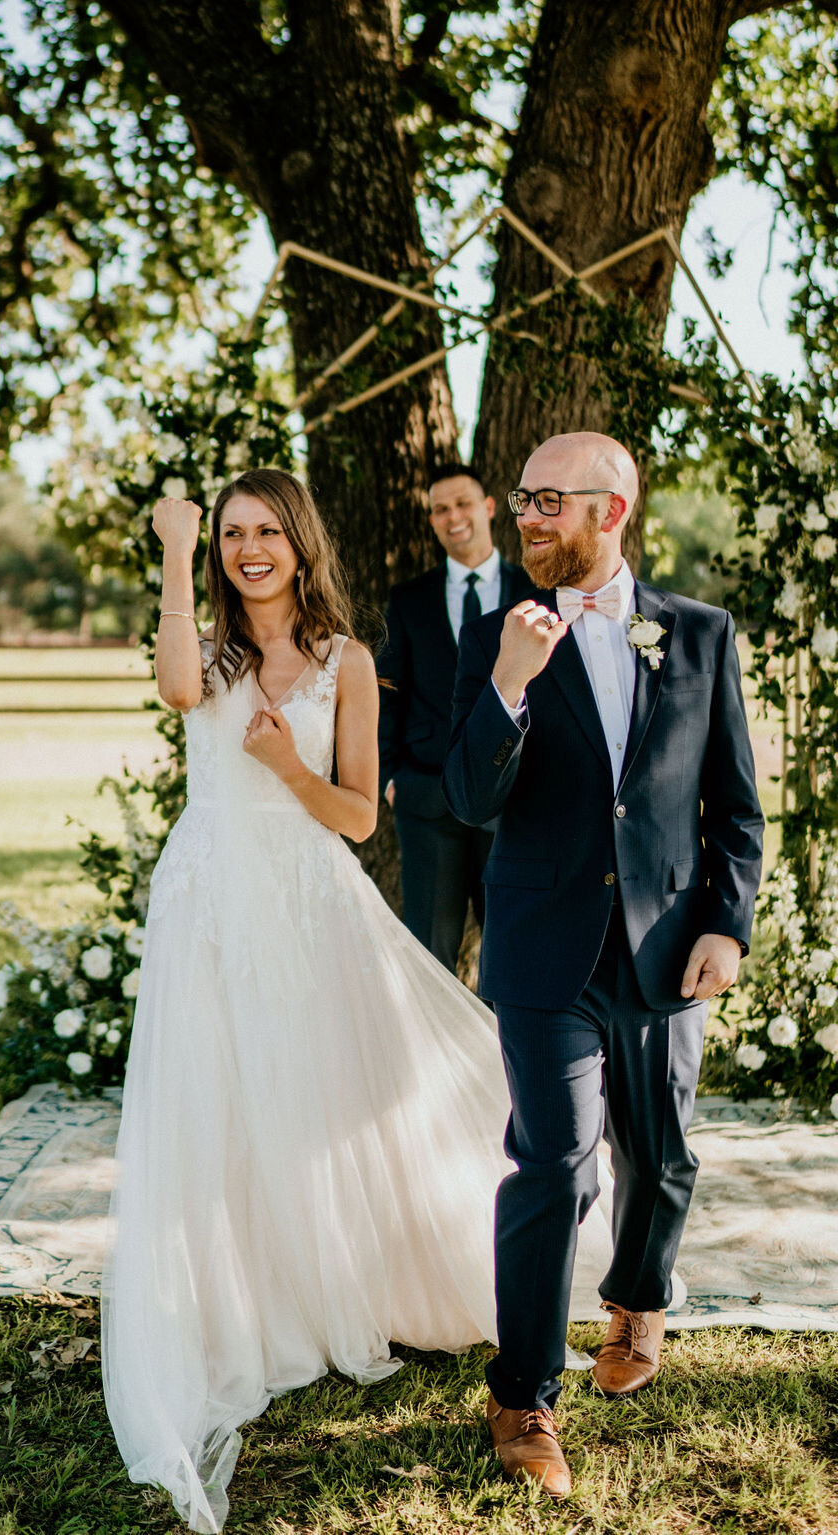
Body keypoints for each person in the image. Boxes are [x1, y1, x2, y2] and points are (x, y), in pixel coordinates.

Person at [101, 467, 613, 1532]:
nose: (251, 550)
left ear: (300, 544)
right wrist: (174, 550)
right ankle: (246, 1302)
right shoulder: (212, 647)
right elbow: (176, 688)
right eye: (234, 534)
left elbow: (355, 817)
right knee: (223, 1097)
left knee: (322, 1096)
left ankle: (348, 1280)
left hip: (310, 896)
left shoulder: (349, 660)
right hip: (211, 898)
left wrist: (289, 764)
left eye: (265, 532)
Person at [443, 432, 764, 1499]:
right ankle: (524, 1391)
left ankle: (639, 1293)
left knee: (661, 1153)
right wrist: (508, 688)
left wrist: (727, 922)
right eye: (521, 499)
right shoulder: (495, 633)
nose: (525, 517)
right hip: (546, 952)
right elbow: (467, 799)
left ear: (609, 509)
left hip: (671, 948)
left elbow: (734, 807)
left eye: (545, 500)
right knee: (557, 1164)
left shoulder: (700, 634)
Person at [376, 464, 530, 970]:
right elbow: (388, 692)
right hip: (426, 797)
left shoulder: (532, 591)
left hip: (515, 803)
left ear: (488, 508)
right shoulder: (408, 598)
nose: (452, 516)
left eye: (462, 503)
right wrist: (390, 776)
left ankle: (503, 1053)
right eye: (440, 509)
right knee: (429, 959)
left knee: (513, 956)